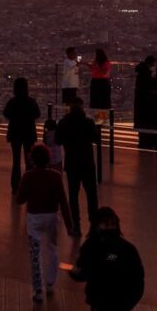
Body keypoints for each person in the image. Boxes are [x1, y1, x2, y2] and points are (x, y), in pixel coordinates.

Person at [16, 143, 72, 304]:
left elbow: (20, 199)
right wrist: (69, 224)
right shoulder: (56, 176)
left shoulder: (28, 176)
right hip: (52, 216)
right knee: (52, 248)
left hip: (34, 217)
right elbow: (63, 201)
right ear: (48, 159)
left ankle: (38, 289)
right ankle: (50, 282)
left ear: (32, 159)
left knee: (35, 253)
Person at [54, 96, 100, 235]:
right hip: (87, 163)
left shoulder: (64, 123)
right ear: (82, 107)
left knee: (73, 196)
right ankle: (93, 226)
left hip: (72, 163)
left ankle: (76, 226)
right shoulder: (88, 122)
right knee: (91, 195)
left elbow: (57, 140)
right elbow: (96, 139)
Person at [3, 77, 40, 193]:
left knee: (16, 161)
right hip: (28, 133)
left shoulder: (12, 102)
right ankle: (29, 185)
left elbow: (6, 113)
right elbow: (37, 114)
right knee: (29, 161)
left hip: (15, 134)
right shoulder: (31, 102)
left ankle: (15, 186)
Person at [88, 48, 111, 112]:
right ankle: (96, 114)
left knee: (103, 99)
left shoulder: (106, 63)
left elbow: (105, 72)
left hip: (102, 82)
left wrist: (98, 67)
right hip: (95, 81)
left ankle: (103, 115)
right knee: (95, 99)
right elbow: (94, 70)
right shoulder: (95, 62)